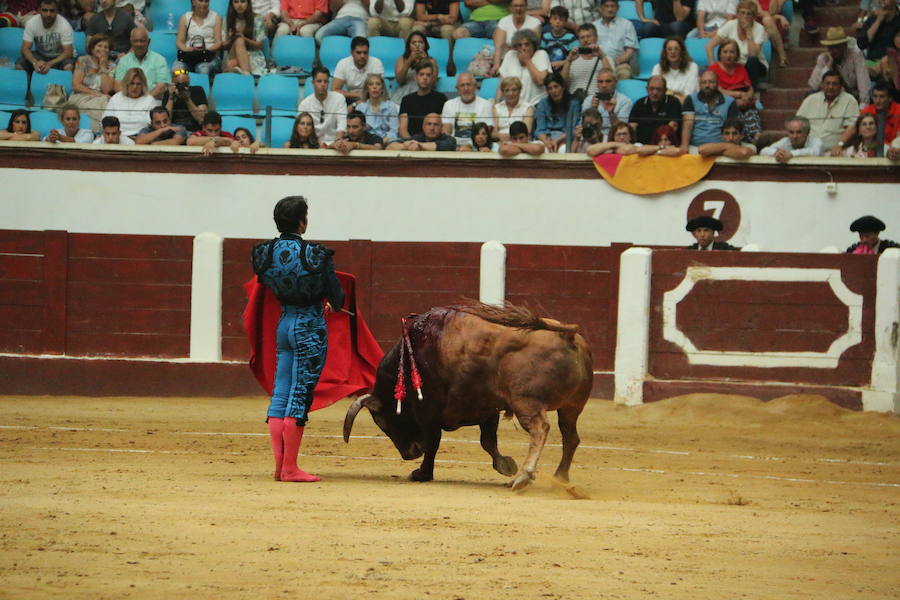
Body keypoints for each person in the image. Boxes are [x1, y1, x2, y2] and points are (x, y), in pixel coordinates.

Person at [251, 195, 344, 482]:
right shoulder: (316, 255)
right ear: (302, 221)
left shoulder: (264, 254)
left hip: (284, 323)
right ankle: (290, 468)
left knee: (281, 393)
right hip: (309, 325)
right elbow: (338, 299)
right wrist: (328, 302)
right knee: (299, 394)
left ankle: (281, 466)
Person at [705, 0, 772, 88]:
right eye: (742, 13)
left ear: (754, 17)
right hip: (734, 64)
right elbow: (709, 46)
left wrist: (749, 32)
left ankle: (751, 90)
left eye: (749, 14)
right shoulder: (730, 25)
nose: (745, 16)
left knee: (752, 61)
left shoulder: (759, 28)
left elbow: (753, 54)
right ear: (737, 14)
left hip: (754, 65)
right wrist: (713, 67)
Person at [796, 69, 860, 154]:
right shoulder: (811, 99)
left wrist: (839, 145)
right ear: (822, 85)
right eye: (827, 83)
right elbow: (797, 123)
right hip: (808, 150)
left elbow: (851, 127)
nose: (830, 87)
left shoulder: (850, 100)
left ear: (841, 86)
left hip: (834, 151)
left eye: (834, 84)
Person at [681, 69, 739, 151]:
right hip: (695, 146)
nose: (707, 85)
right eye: (704, 82)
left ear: (717, 84)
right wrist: (684, 146)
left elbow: (732, 128)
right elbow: (687, 125)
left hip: (720, 147)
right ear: (700, 85)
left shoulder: (729, 101)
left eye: (711, 82)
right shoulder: (691, 99)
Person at [809, 27, 871, 104]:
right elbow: (814, 86)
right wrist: (828, 65)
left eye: (836, 47)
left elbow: (864, 85)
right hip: (830, 99)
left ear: (844, 46)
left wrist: (862, 108)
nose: (833, 50)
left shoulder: (856, 55)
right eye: (830, 47)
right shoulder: (823, 58)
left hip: (851, 99)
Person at [69, 33, 117, 131]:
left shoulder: (112, 66)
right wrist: (96, 94)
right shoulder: (83, 60)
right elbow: (76, 85)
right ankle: (104, 131)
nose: (103, 49)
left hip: (101, 98)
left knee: (110, 104)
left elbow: (107, 89)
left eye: (106, 47)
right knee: (106, 105)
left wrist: (103, 66)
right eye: (99, 46)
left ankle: (100, 133)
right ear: (92, 48)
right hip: (81, 97)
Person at [15, 0, 75, 74]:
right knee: (19, 65)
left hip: (59, 57)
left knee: (68, 66)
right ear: (39, 10)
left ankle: (62, 85)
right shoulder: (32, 23)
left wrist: (49, 64)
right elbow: (25, 49)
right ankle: (29, 84)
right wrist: (35, 63)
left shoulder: (64, 25)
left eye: (52, 11)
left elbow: (68, 52)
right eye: (45, 10)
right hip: (40, 55)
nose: (48, 14)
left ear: (57, 11)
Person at [498, 29, 552, 106]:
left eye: (527, 44)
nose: (523, 48)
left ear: (533, 45)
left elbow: (541, 81)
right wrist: (497, 105)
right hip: (513, 105)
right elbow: (502, 85)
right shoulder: (510, 55)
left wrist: (527, 61)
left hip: (536, 104)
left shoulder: (541, 54)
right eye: (519, 45)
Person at [441, 71, 494, 148]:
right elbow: (446, 131)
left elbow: (485, 133)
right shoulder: (449, 104)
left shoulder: (486, 105)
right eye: (462, 85)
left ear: (475, 86)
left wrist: (469, 146)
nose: (466, 88)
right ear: (457, 89)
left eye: (468, 85)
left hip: (477, 146)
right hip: (454, 146)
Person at [113, 27, 169, 99]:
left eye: (142, 41)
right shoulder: (124, 61)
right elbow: (118, 85)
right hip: (128, 101)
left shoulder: (159, 60)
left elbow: (162, 86)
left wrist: (145, 101)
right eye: (135, 41)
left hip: (153, 102)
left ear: (148, 42)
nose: (139, 44)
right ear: (131, 42)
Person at [102, 66, 159, 137]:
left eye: (138, 84)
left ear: (143, 85)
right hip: (116, 137)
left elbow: (154, 125)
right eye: (132, 83)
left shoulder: (149, 100)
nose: (135, 87)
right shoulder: (116, 98)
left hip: (140, 138)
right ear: (126, 84)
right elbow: (105, 121)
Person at [296, 66, 347, 144]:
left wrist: (338, 142)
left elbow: (342, 125)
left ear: (328, 83)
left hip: (335, 143)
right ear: (313, 83)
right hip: (313, 144)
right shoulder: (305, 104)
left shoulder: (339, 99)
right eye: (319, 81)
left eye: (325, 81)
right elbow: (302, 129)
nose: (323, 84)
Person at [560, 23, 611, 99]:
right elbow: (562, 83)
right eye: (582, 37)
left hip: (597, 101)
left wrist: (602, 56)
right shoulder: (572, 59)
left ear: (596, 38)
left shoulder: (605, 58)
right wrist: (568, 61)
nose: (586, 40)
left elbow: (611, 81)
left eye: (588, 36)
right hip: (575, 102)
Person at [398, 59, 447, 137]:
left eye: (428, 75)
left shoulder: (441, 98)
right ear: (415, 77)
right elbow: (403, 130)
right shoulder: (406, 100)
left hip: (434, 142)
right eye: (421, 74)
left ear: (432, 78)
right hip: (411, 144)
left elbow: (443, 126)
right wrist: (412, 144)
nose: (425, 78)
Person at [490, 0, 541, 75]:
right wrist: (496, 65)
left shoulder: (535, 22)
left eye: (521, 6)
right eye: (515, 6)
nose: (518, 9)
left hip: (527, 57)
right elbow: (499, 46)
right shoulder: (504, 21)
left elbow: (533, 46)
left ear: (526, 7)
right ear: (510, 7)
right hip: (506, 58)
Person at [628, 74, 681, 144]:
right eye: (652, 89)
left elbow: (672, 128)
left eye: (659, 89)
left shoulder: (673, 102)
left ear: (665, 90)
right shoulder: (639, 103)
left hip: (664, 145)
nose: (655, 93)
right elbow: (632, 128)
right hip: (641, 146)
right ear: (647, 89)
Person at [534, 71, 580, 151]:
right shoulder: (543, 103)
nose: (554, 91)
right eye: (550, 89)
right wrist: (547, 142)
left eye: (556, 87)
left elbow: (573, 130)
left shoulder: (573, 103)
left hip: (565, 139)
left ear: (563, 87)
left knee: (563, 150)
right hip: (547, 138)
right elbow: (540, 129)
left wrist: (557, 141)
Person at [591, 0, 637, 81]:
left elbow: (630, 49)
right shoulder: (593, 26)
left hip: (619, 64)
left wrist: (617, 61)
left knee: (625, 73)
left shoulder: (627, 24)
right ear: (600, 8)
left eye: (613, 6)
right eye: (606, 6)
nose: (610, 9)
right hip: (597, 63)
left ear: (618, 8)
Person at [581, 67, 632, 140]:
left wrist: (611, 113)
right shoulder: (588, 100)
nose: (604, 85)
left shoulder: (625, 101)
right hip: (592, 137)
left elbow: (621, 129)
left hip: (614, 138)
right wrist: (593, 109)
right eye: (600, 82)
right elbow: (584, 126)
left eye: (608, 81)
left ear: (615, 82)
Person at [175, 0, 223, 75]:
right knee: (177, 70)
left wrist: (205, 50)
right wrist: (187, 49)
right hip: (189, 55)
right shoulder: (185, 18)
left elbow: (218, 43)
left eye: (206, 1)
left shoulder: (216, 18)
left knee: (202, 69)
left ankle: (204, 86)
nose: (204, 4)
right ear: (193, 2)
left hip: (208, 56)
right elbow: (179, 42)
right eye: (200, 1)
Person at [332, 37, 385, 104]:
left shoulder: (376, 63)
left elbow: (379, 89)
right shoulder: (343, 63)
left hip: (371, 98)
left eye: (365, 52)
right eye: (358, 53)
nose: (362, 56)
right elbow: (335, 90)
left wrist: (362, 98)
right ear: (351, 52)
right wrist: (357, 95)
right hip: (350, 98)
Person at [392, 31, 439, 102]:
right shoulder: (402, 59)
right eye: (414, 43)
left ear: (425, 45)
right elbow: (400, 81)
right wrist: (409, 61)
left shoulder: (432, 61)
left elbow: (432, 83)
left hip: (425, 93)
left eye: (420, 42)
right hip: (404, 93)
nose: (417, 46)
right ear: (409, 46)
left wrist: (426, 60)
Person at [222, 0, 266, 75]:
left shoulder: (257, 18)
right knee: (238, 40)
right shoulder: (227, 19)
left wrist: (244, 38)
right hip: (232, 53)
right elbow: (223, 45)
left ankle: (242, 71)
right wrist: (231, 38)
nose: (239, 5)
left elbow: (259, 45)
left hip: (252, 55)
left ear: (248, 3)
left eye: (242, 1)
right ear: (232, 4)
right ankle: (246, 74)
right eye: (236, 2)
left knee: (230, 65)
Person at [652, 36, 699, 101]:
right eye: (669, 49)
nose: (673, 52)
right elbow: (655, 93)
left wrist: (667, 92)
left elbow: (688, 97)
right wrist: (677, 94)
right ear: (665, 52)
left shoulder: (692, 67)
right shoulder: (657, 68)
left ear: (682, 52)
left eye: (676, 49)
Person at [161, 68, 208, 133]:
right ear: (173, 83)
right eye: (178, 84)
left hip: (194, 130)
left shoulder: (198, 90)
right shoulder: (168, 93)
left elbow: (201, 119)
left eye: (185, 84)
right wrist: (171, 98)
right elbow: (166, 120)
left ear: (189, 81)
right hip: (174, 130)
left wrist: (187, 99)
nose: (182, 87)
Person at [357, 73, 399, 143]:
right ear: (367, 89)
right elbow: (358, 131)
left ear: (382, 88)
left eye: (378, 84)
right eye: (371, 84)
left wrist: (380, 142)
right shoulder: (360, 108)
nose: (374, 87)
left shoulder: (391, 106)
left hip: (387, 142)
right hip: (366, 143)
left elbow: (394, 131)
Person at [857, 0, 900, 65]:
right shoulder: (871, 20)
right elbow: (861, 44)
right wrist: (878, 21)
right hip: (871, 62)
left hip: (893, 63)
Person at [386, 111, 458, 149]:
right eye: (429, 124)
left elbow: (440, 146)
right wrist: (406, 146)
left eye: (435, 124)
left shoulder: (450, 140)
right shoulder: (417, 138)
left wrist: (419, 145)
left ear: (441, 127)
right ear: (423, 127)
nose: (432, 128)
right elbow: (390, 146)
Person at [492, 75, 534, 140]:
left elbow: (527, 132)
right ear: (503, 93)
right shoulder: (496, 108)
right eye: (507, 90)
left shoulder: (528, 108)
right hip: (500, 142)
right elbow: (493, 133)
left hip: (520, 142)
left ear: (520, 91)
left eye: (514, 90)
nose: (511, 93)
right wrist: (501, 137)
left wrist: (511, 138)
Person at [541, 5, 577, 72]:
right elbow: (541, 54)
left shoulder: (571, 38)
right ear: (550, 20)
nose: (557, 22)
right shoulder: (545, 36)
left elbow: (576, 57)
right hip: (548, 68)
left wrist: (562, 63)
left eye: (561, 19)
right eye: (555, 18)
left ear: (565, 22)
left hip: (566, 69)